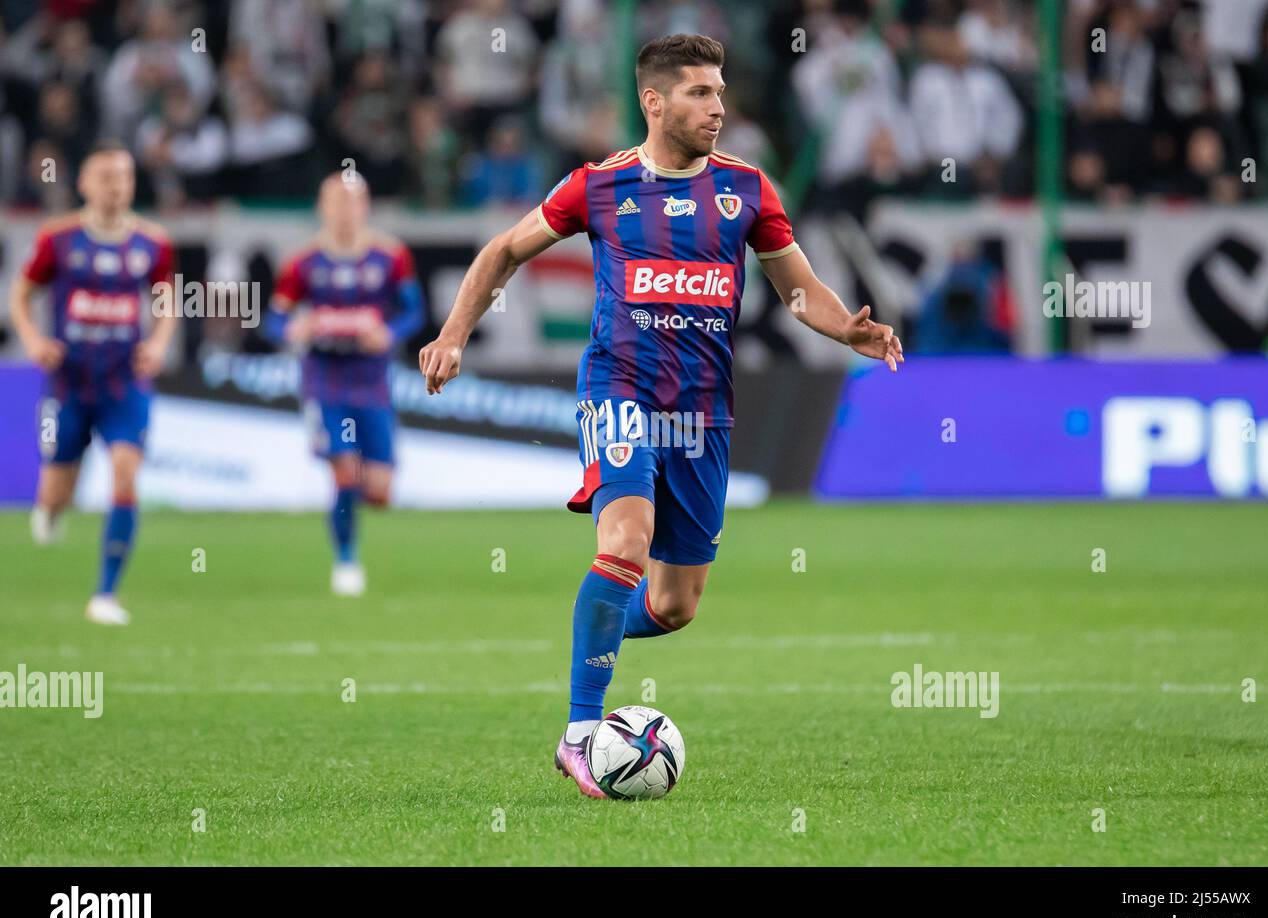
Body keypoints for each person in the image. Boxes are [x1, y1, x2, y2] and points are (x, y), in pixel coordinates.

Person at [417, 34, 903, 798]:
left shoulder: (747, 191)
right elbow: (504, 250)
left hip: (703, 416)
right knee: (627, 537)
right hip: (619, 392)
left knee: (675, 606)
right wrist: (452, 334)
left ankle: (596, 624)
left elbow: (797, 289)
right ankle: (580, 733)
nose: (718, 108)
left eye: (719, 92)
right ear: (655, 101)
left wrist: (847, 328)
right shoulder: (598, 187)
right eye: (700, 94)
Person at [9, 142, 177, 625]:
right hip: (69, 379)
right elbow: (21, 295)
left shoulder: (153, 242)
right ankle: (52, 509)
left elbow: (165, 299)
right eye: (105, 177)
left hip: (125, 381)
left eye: (123, 177)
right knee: (56, 488)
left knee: (126, 473)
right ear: (84, 184)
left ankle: (105, 594)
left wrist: (160, 342)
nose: (115, 186)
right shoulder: (57, 239)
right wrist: (34, 340)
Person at [263, 174, 425, 596]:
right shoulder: (302, 263)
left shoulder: (391, 257)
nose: (345, 211)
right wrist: (293, 328)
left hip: (372, 382)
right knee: (344, 473)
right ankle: (347, 560)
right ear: (322, 207)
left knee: (379, 491)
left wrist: (388, 333)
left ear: (365, 207)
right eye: (336, 202)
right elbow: (274, 318)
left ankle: (353, 522)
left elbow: (414, 313)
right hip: (325, 381)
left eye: (353, 202)